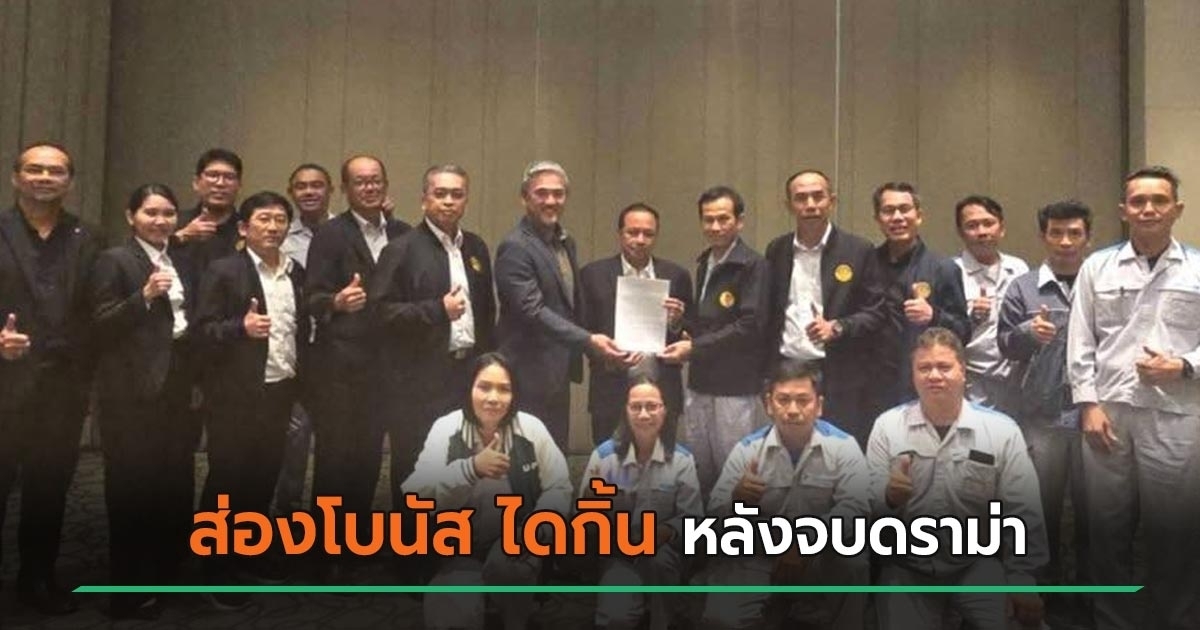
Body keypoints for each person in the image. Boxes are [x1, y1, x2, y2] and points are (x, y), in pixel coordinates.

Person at [1067, 165, 1200, 630]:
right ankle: (1112, 622)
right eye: (1138, 201)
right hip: (1109, 415)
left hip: (1176, 413)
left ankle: (1177, 621)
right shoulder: (1097, 267)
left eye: (1159, 200)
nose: (1148, 209)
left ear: (1177, 209)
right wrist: (1088, 404)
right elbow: (1079, 341)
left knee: (1175, 533)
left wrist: (1185, 365)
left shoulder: (1197, 268)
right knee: (1108, 531)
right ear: (1123, 210)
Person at [867, 328, 1047, 630]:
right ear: (913, 375)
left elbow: (1023, 511)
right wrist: (888, 498)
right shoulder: (888, 426)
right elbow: (865, 509)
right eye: (924, 368)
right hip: (908, 567)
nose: (934, 376)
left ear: (963, 371)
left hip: (976, 564)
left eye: (944, 367)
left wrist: (1022, 579)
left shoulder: (1001, 430)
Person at [0, 142, 103, 615]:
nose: (45, 177)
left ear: (69, 182)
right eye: (35, 169)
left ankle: (37, 579)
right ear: (16, 177)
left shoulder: (88, 236)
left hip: (63, 387)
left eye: (56, 171)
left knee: (49, 490)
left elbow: (97, 308)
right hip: (6, 385)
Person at [89, 184, 198, 620]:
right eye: (151, 212)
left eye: (169, 213)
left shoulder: (179, 258)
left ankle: (166, 576)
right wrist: (144, 296)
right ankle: (126, 590)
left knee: (173, 485)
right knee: (131, 489)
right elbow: (99, 324)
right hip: (132, 392)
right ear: (130, 216)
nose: (161, 220)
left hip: (177, 388)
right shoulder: (114, 260)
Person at [195, 191, 309, 608]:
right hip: (235, 393)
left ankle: (248, 554)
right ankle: (214, 568)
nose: (273, 227)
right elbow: (201, 331)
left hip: (280, 389)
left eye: (280, 219)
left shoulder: (295, 272)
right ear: (244, 227)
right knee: (227, 480)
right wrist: (238, 329)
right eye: (264, 219)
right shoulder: (224, 271)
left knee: (263, 478)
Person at [402, 353, 572, 630]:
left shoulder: (531, 428)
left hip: (515, 548)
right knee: (452, 620)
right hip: (458, 550)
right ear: (469, 389)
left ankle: (514, 616)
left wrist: (538, 528)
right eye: (484, 387)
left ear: (514, 394)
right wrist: (470, 469)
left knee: (509, 571)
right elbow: (416, 495)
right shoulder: (446, 428)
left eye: (504, 389)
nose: (493, 398)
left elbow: (560, 486)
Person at [700, 361, 869, 630]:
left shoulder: (843, 446)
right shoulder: (747, 450)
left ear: (819, 405)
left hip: (819, 554)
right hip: (759, 555)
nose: (792, 410)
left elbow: (857, 508)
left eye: (803, 400)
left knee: (854, 562)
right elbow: (712, 516)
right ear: (769, 404)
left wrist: (803, 541)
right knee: (721, 619)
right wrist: (736, 501)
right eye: (783, 400)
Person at [305, 154, 410, 582]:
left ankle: (355, 545)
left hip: (392, 367)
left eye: (376, 180)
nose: (370, 188)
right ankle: (322, 556)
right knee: (336, 461)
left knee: (368, 460)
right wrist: (335, 302)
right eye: (360, 182)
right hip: (343, 369)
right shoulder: (330, 235)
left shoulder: (403, 233)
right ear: (346, 189)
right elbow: (310, 296)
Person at [372, 164, 496, 506]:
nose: (448, 201)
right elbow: (379, 313)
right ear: (424, 199)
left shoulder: (475, 248)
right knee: (417, 466)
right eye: (440, 194)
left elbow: (487, 312)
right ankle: (410, 539)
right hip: (418, 381)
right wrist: (436, 309)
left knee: (463, 461)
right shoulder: (401, 249)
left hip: (466, 374)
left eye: (457, 194)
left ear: (466, 200)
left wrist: (488, 366)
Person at [997, 199, 1092, 616]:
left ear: (1088, 237)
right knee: (1041, 511)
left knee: (1095, 512)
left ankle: (1091, 596)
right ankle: (1043, 596)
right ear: (1043, 236)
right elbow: (1004, 344)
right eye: (1056, 232)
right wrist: (1027, 332)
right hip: (1042, 415)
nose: (1065, 241)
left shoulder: (1100, 282)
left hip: (1093, 414)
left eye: (1074, 233)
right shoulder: (1023, 286)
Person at [495, 160, 626, 446]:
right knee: (525, 456)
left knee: (554, 453)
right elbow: (532, 310)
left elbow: (569, 304)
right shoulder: (515, 247)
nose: (551, 200)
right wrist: (589, 340)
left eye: (558, 193)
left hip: (558, 370)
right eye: (541, 193)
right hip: (526, 371)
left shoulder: (565, 241)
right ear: (524, 198)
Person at [764, 170, 890, 444]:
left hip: (839, 372)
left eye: (818, 196)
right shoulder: (777, 250)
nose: (810, 204)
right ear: (789, 205)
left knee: (840, 449)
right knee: (788, 448)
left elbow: (877, 312)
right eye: (801, 198)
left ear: (832, 201)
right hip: (788, 366)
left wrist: (839, 327)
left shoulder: (858, 250)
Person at [661, 185, 769, 496]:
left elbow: (750, 326)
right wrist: (681, 322)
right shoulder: (705, 262)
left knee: (735, 472)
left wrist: (694, 348)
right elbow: (708, 325)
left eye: (723, 218)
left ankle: (737, 526)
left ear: (740, 221)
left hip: (734, 387)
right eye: (708, 220)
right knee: (701, 468)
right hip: (700, 382)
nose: (716, 226)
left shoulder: (753, 265)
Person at [580, 376, 703, 630]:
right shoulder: (604, 458)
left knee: (661, 569)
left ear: (665, 410)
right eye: (636, 407)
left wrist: (665, 531)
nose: (644, 414)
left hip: (665, 553)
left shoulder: (682, 460)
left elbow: (693, 518)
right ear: (625, 411)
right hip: (619, 553)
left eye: (652, 406)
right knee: (615, 619)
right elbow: (583, 520)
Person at [579, 202, 692, 445]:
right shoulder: (593, 275)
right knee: (607, 460)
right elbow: (582, 332)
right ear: (620, 234)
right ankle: (608, 479)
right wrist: (606, 355)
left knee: (663, 458)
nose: (640, 240)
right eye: (633, 232)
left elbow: (688, 332)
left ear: (656, 236)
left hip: (662, 387)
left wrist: (676, 322)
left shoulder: (677, 275)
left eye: (648, 234)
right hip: (610, 386)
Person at [868, 182, 971, 417]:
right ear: (878, 219)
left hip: (924, 385)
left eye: (904, 209)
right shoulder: (867, 264)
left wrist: (933, 316)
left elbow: (964, 332)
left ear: (919, 215)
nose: (897, 217)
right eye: (888, 211)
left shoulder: (943, 268)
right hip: (872, 386)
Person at [273, 162, 336, 515]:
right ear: (291, 192)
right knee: (294, 435)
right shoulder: (278, 234)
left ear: (331, 190)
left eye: (317, 185)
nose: (309, 191)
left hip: (338, 350)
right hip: (296, 349)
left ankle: (329, 521)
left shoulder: (347, 232)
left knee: (335, 438)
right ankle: (289, 512)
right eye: (301, 186)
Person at [952, 195, 1028, 412]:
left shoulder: (1019, 268)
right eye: (972, 225)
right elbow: (943, 332)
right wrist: (972, 319)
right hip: (970, 381)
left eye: (988, 223)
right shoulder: (950, 271)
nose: (982, 231)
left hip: (1015, 380)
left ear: (1001, 228)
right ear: (960, 232)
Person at [174, 148, 243, 271]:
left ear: (239, 185)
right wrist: (181, 237)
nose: (220, 183)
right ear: (196, 182)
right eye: (213, 175)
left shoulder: (248, 228)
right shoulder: (174, 223)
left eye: (229, 177)